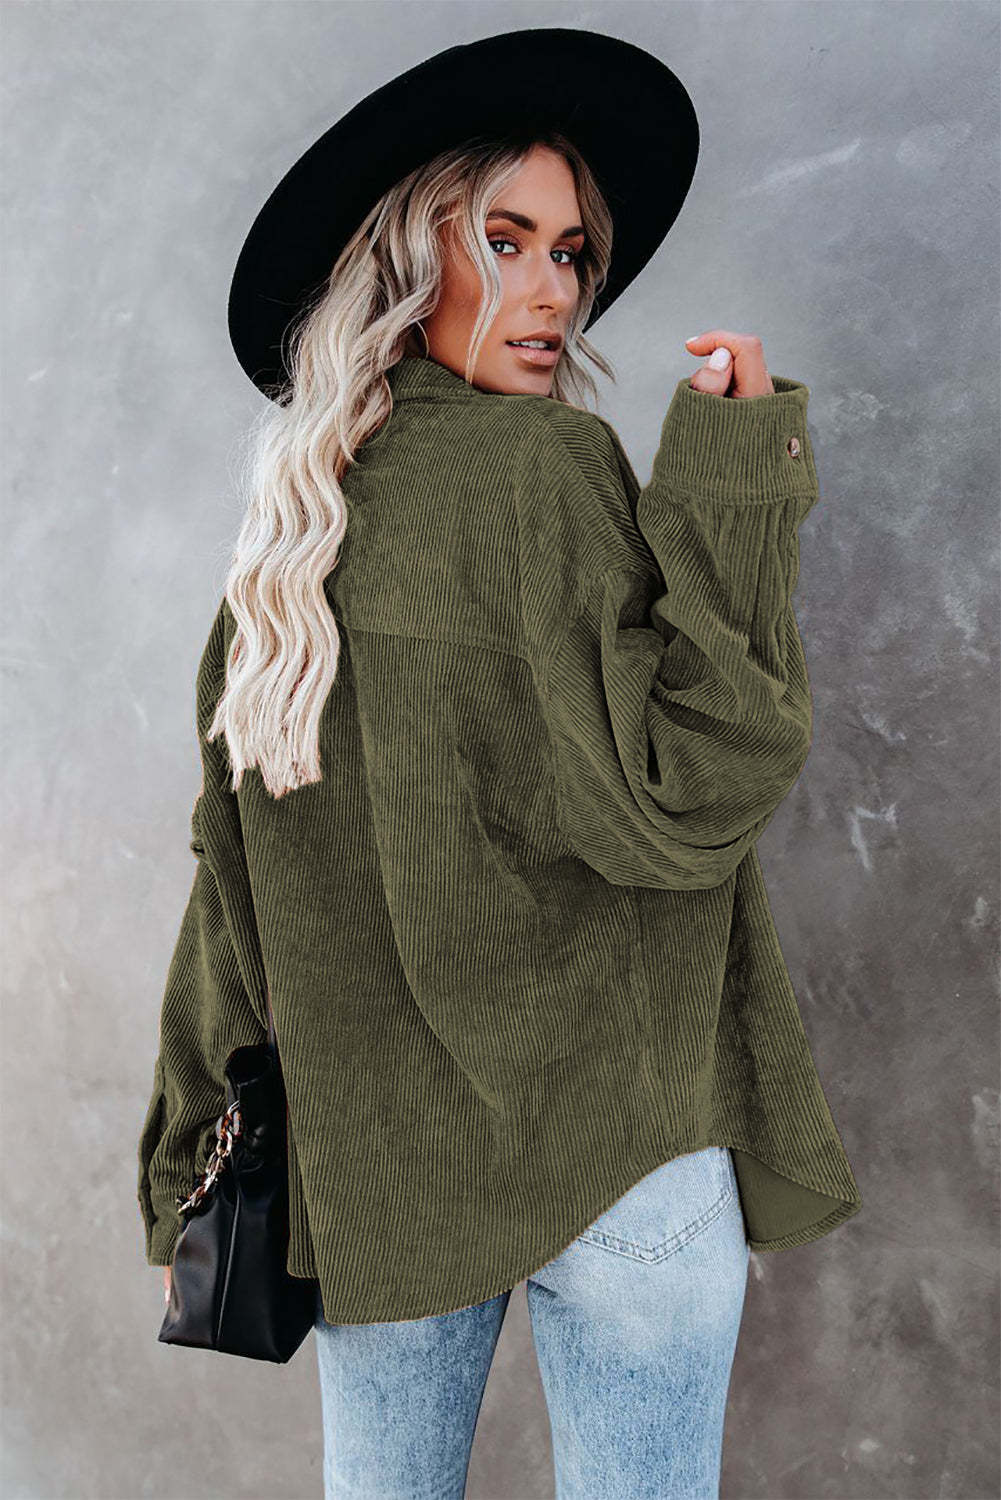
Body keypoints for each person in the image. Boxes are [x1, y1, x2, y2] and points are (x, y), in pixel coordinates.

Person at [137, 28, 861, 1500]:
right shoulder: (553, 471)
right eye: (505, 242)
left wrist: (189, 1144)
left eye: (570, 252)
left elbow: (233, 889)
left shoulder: (285, 550)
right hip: (624, 1146)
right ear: (406, 264)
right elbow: (690, 788)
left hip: (381, 1166)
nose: (551, 292)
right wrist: (732, 479)